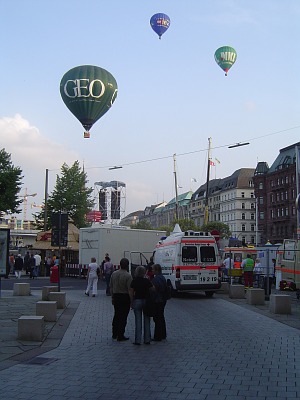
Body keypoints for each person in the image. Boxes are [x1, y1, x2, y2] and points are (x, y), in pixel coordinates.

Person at [110, 257, 132, 341]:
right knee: (123, 316)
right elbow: (130, 289)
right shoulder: (128, 275)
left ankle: (114, 333)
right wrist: (131, 300)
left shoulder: (114, 274)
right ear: (127, 265)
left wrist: (112, 297)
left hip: (116, 296)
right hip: (124, 297)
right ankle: (120, 335)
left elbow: (111, 287)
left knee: (116, 315)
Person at [129, 266, 153, 345]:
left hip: (137, 301)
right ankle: (147, 339)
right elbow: (153, 289)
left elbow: (131, 293)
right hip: (146, 301)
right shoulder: (147, 281)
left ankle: (138, 340)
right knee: (147, 320)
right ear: (144, 272)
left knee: (138, 321)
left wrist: (131, 303)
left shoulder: (134, 281)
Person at [152, 263, 168, 341]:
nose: (152, 271)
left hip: (158, 300)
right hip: (163, 299)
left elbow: (155, 289)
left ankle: (157, 336)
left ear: (157, 270)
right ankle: (163, 334)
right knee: (161, 317)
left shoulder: (156, 279)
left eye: (153, 269)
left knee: (157, 318)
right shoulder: (163, 277)